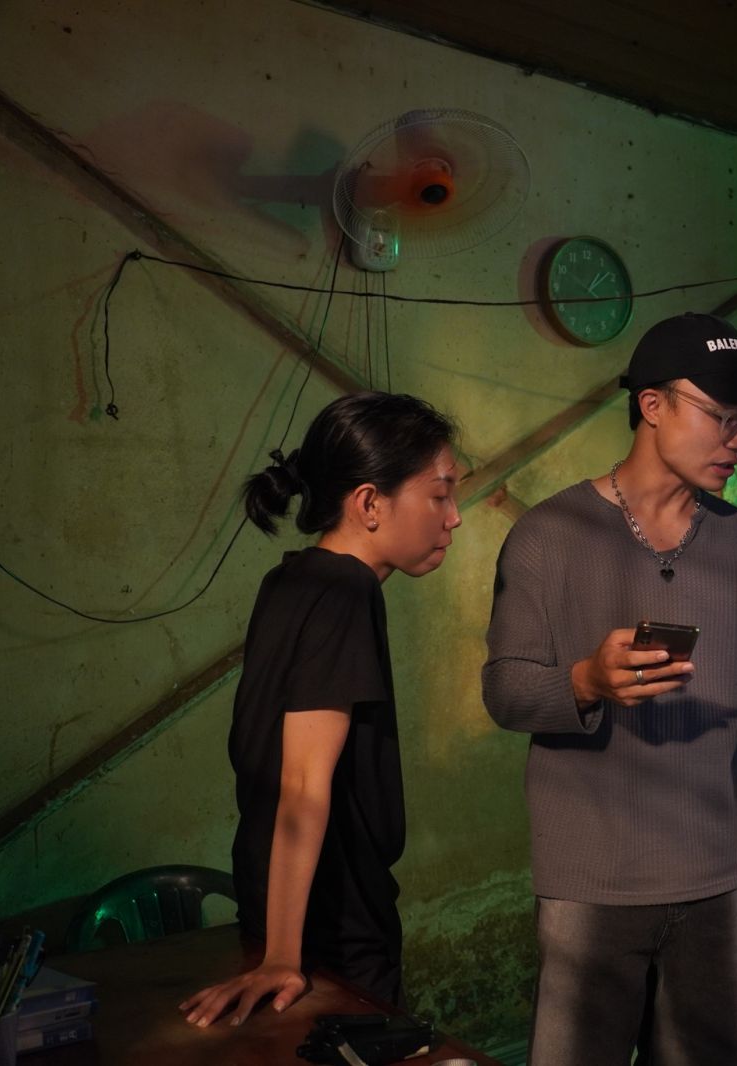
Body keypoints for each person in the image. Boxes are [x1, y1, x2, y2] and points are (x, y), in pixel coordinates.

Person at [482, 312, 737, 1066]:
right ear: (652, 405)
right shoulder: (548, 535)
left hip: (717, 874)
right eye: (722, 417)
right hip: (592, 882)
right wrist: (587, 681)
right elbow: (505, 691)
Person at [180, 391, 462, 1027]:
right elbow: (304, 782)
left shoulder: (291, 579)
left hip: (277, 909)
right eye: (440, 495)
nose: (455, 518)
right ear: (369, 503)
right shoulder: (345, 592)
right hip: (331, 932)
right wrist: (284, 958)